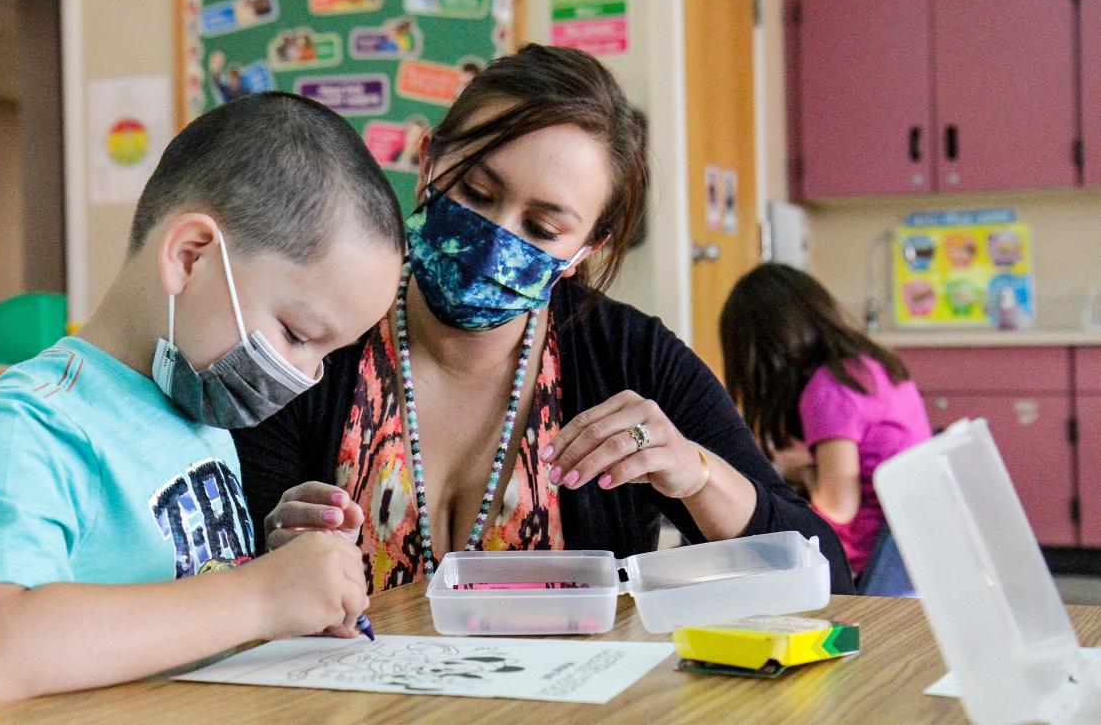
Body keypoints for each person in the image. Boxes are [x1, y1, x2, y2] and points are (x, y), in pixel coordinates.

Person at [234, 44, 852, 595]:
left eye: (543, 228)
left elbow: (829, 577)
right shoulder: (320, 333)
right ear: (428, 164)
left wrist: (696, 475)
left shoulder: (628, 358)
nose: (496, 234)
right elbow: (218, 567)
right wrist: (270, 556)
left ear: (588, 250)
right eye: (476, 192)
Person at [0, 92, 406, 723]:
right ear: (190, 256)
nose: (307, 376)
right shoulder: (29, 423)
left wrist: (274, 563)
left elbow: (164, 597)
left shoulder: (196, 417)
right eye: (295, 332)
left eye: (327, 354)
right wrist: (259, 595)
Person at [719, 263, 932, 579]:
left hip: (869, 564)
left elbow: (837, 506)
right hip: (913, 550)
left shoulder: (830, 388)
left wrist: (798, 470)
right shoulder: (873, 365)